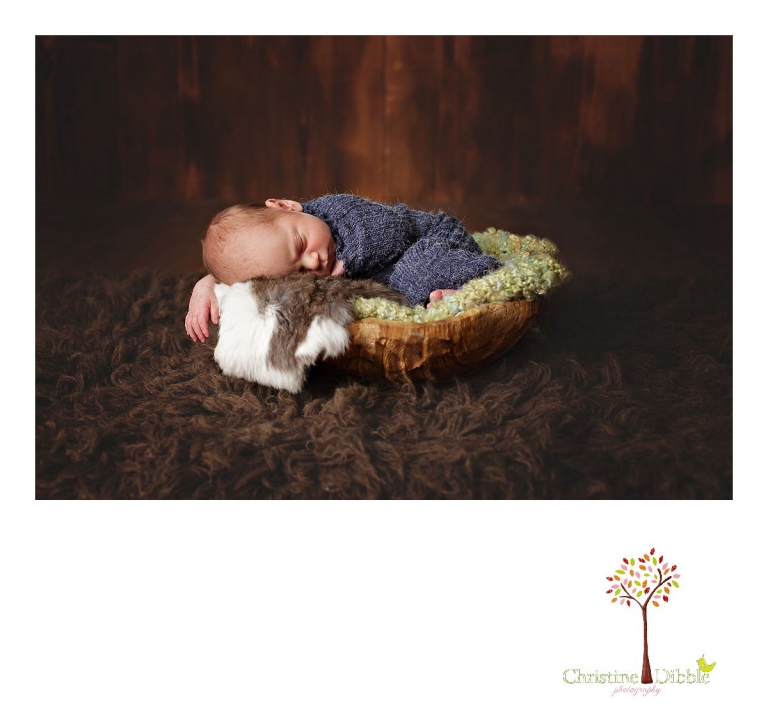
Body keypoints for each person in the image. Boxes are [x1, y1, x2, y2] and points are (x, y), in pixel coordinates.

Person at [185, 194, 501, 342]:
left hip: (433, 239)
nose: (314, 261)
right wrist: (209, 283)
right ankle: (444, 295)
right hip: (394, 273)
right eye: (300, 272)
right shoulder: (280, 252)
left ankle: (481, 277)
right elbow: (257, 280)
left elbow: (393, 230)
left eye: (301, 244)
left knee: (419, 272)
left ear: (286, 206)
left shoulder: (341, 211)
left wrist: (347, 263)